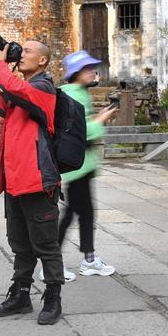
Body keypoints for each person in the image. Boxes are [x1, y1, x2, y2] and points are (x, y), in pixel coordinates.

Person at [0, 40, 64, 326]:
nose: (22, 54)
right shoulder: (20, 93)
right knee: (20, 243)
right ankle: (21, 294)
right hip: (15, 180)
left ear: (42, 60)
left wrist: (2, 66)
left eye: (28, 51)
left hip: (38, 181)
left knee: (46, 244)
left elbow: (15, 88)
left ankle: (53, 298)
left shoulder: (43, 89)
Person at [58, 51, 119, 280]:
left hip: (82, 165)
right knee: (74, 215)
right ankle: (53, 262)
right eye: (87, 69)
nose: (93, 72)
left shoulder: (76, 92)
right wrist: (100, 120)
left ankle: (88, 259)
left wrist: (97, 117)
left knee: (83, 214)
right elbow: (79, 132)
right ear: (77, 73)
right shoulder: (73, 95)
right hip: (77, 166)